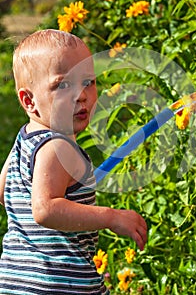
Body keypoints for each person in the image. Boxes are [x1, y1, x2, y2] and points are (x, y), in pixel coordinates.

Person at [0, 29, 147, 294]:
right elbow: (45, 210)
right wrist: (111, 217)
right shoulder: (57, 146)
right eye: (63, 85)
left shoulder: (23, 140)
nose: (81, 95)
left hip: (18, 280)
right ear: (29, 100)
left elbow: (4, 193)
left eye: (88, 82)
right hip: (60, 284)